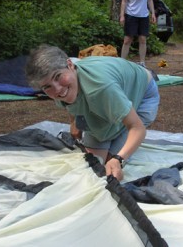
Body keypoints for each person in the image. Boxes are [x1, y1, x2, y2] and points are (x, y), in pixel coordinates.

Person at [25, 44, 160, 181]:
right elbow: (70, 103)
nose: (58, 89)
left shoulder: (101, 87)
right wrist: (74, 122)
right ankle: (114, 121)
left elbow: (137, 128)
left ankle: (118, 125)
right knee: (94, 164)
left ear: (70, 65)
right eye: (47, 86)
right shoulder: (61, 85)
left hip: (143, 93)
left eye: (58, 77)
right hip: (108, 93)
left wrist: (119, 159)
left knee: (110, 164)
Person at [120, 0, 156, 67]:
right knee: (127, 39)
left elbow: (150, 0)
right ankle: (122, 62)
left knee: (143, 39)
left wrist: (153, 13)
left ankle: (142, 62)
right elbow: (124, 0)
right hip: (131, 15)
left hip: (144, 16)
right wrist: (122, 15)